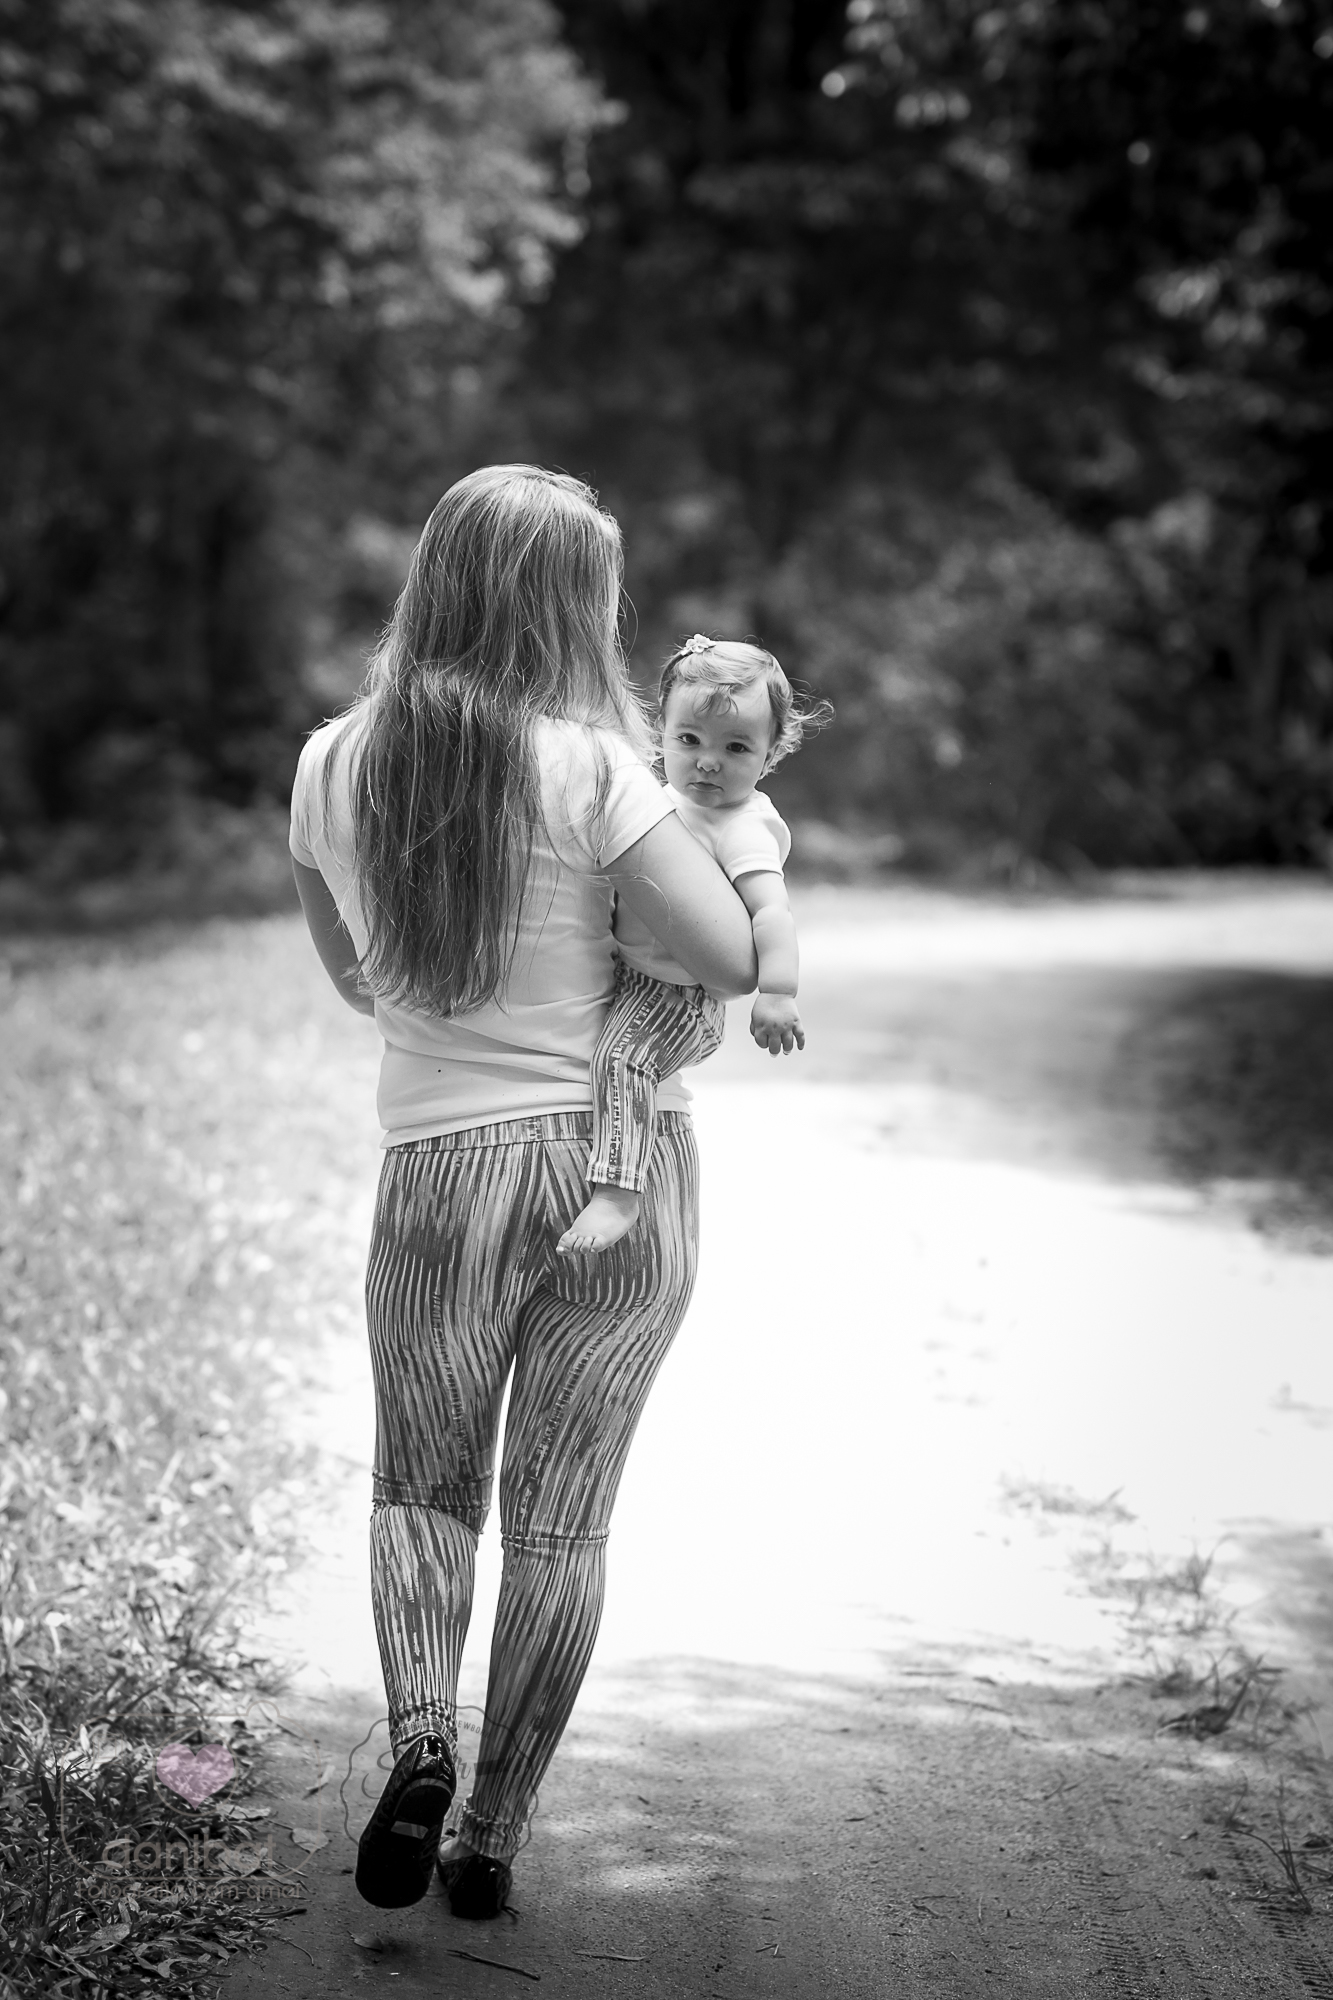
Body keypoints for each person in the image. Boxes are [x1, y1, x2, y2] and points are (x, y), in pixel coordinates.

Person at [287, 465, 757, 1921]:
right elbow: (730, 957)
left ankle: (422, 1739)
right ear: (569, 608)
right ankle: (489, 1834)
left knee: (421, 1491)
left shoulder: (332, 763)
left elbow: (353, 975)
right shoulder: (598, 769)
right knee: (560, 1524)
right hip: (619, 1168)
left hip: (439, 1170)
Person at [557, 635, 832, 1256]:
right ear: (662, 734)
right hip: (634, 977)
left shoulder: (743, 826)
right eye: (690, 740)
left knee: (624, 1058)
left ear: (770, 753)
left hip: (681, 997)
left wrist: (778, 991)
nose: (709, 762)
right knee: (593, 1054)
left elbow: (772, 912)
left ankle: (619, 1192)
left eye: (736, 748)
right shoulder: (662, 801)